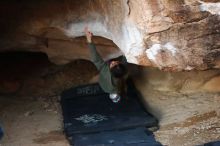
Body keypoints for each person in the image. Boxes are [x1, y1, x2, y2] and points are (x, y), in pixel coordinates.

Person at [84, 27, 128, 103]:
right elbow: (124, 64)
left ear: (110, 71)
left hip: (105, 81)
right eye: (117, 63)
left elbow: (95, 58)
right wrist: (126, 54)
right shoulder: (120, 74)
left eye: (113, 64)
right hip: (108, 85)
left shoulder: (105, 71)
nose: (114, 61)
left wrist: (89, 40)